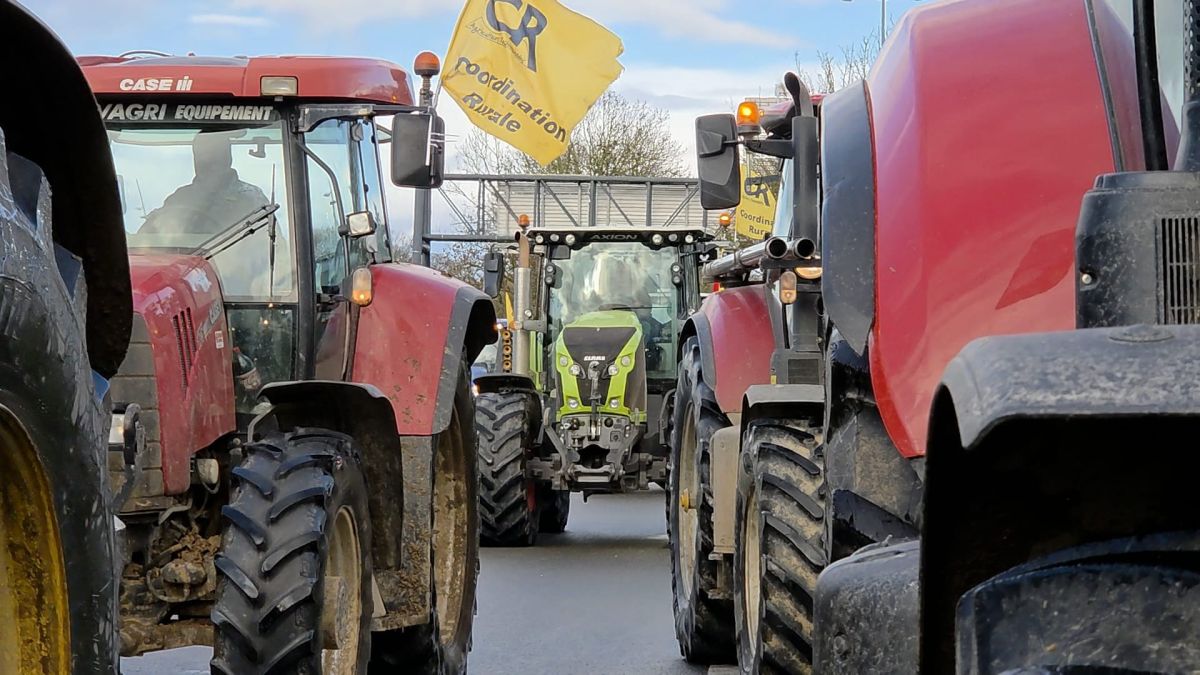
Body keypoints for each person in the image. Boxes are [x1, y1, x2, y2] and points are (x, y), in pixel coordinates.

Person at [140, 131, 271, 236]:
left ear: (227, 158)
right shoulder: (180, 198)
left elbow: (275, 246)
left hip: (235, 266)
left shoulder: (251, 199)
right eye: (201, 157)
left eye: (213, 157)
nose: (206, 163)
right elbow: (149, 240)